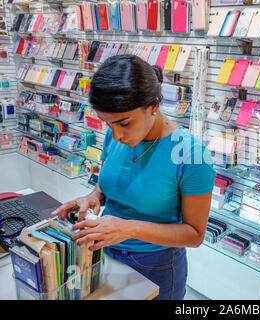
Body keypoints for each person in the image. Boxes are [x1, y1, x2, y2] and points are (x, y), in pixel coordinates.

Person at [51, 55, 216, 300]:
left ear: (154, 105)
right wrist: (93, 196)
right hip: (104, 251)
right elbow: (110, 184)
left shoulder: (191, 155)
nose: (116, 135)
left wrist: (129, 228)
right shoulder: (117, 137)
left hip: (156, 265)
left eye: (124, 123)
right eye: (108, 124)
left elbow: (194, 235)